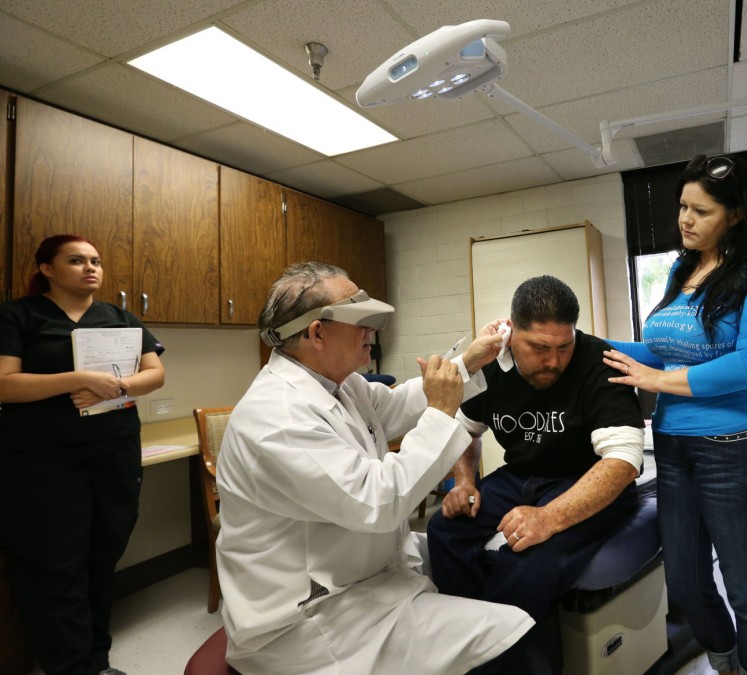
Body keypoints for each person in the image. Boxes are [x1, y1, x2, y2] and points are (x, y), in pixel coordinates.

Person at [214, 262, 534, 675]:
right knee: (512, 633)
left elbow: (398, 406)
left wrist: (469, 363)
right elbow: (380, 501)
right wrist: (441, 411)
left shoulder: (342, 383)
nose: (373, 331)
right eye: (362, 320)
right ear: (316, 332)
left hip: (359, 571)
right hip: (311, 620)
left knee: (481, 559)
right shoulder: (277, 417)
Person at [602, 154, 747, 675]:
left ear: (734, 214)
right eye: (682, 207)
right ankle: (726, 659)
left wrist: (660, 383)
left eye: (701, 211)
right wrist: (575, 343)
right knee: (686, 582)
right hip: (672, 443)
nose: (685, 220)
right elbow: (656, 351)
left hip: (737, 445)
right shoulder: (684, 266)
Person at [427, 275, 646, 625]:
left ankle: (505, 658)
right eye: (540, 349)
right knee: (443, 530)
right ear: (511, 334)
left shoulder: (598, 361)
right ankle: (466, 633)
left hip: (587, 479)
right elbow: (465, 430)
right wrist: (464, 482)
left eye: (564, 347)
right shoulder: (489, 364)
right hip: (521, 477)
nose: (554, 361)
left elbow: (623, 462)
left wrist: (548, 518)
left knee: (527, 560)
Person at [0, 234, 166, 675]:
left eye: (95, 260)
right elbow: (4, 384)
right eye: (76, 260)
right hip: (44, 460)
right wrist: (77, 378)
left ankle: (97, 659)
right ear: (47, 269)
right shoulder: (19, 316)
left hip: (114, 452)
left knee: (101, 556)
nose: (91, 267)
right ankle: (70, 667)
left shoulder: (120, 318)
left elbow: (156, 372)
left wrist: (119, 385)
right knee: (57, 565)